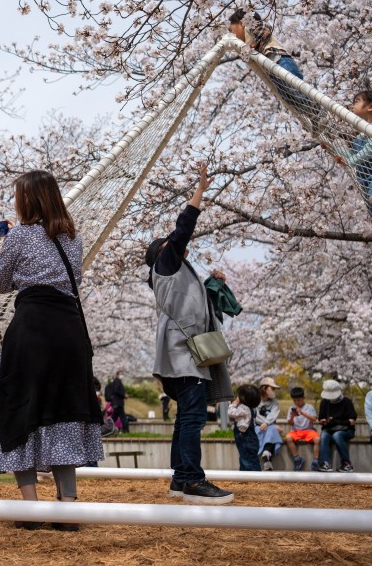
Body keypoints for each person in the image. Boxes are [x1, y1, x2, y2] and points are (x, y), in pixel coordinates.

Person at [0, 170, 103, 531]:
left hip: (32, 332)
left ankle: (32, 508)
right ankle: (68, 509)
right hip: (70, 331)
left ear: (25, 200)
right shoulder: (71, 238)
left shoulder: (19, 237)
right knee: (64, 411)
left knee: (17, 408)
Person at [145, 163, 234, 504]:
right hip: (184, 354)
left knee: (187, 417)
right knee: (193, 418)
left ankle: (182, 479)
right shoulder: (166, 265)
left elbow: (197, 303)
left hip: (182, 353)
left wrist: (215, 284)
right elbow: (184, 227)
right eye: (169, 244)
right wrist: (199, 191)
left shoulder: (175, 274)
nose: (177, 243)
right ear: (163, 252)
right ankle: (193, 481)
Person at [227, 9, 318, 129]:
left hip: (279, 60)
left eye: (231, 29)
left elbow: (265, 28)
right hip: (273, 70)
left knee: (294, 88)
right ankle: (314, 118)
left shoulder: (250, 27)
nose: (231, 33)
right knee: (289, 97)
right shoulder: (246, 42)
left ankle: (317, 111)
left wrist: (252, 46)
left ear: (241, 22)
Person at [329, 90, 372, 227]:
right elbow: (353, 155)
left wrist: (350, 161)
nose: (352, 106)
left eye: (357, 101)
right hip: (364, 177)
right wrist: (334, 150)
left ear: (371, 107)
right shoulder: (360, 135)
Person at [317, 379, 357, 472]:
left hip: (346, 430)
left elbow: (352, 421)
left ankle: (346, 464)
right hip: (329, 429)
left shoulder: (347, 402)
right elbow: (321, 418)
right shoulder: (324, 402)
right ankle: (325, 463)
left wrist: (337, 422)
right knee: (323, 436)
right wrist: (323, 421)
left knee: (337, 435)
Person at [283, 386, 320, 472]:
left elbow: (314, 419)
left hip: (309, 430)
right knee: (288, 438)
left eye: (298, 400)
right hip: (296, 431)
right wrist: (292, 417)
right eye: (294, 400)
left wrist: (303, 413)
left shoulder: (309, 407)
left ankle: (316, 461)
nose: (296, 402)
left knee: (317, 439)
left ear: (303, 398)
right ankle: (297, 458)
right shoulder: (291, 408)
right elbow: (290, 423)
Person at [227, 384, 261, 472]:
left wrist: (234, 403)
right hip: (249, 437)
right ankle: (245, 476)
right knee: (247, 458)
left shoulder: (243, 408)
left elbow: (231, 413)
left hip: (245, 437)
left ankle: (254, 477)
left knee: (247, 459)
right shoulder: (251, 408)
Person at [255, 377, 283, 471]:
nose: (274, 391)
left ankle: (266, 454)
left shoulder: (274, 402)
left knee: (272, 429)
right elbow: (255, 414)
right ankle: (267, 459)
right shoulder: (256, 399)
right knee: (273, 429)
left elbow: (274, 413)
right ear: (264, 388)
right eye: (272, 388)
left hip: (269, 426)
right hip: (257, 426)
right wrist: (265, 423)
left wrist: (267, 423)